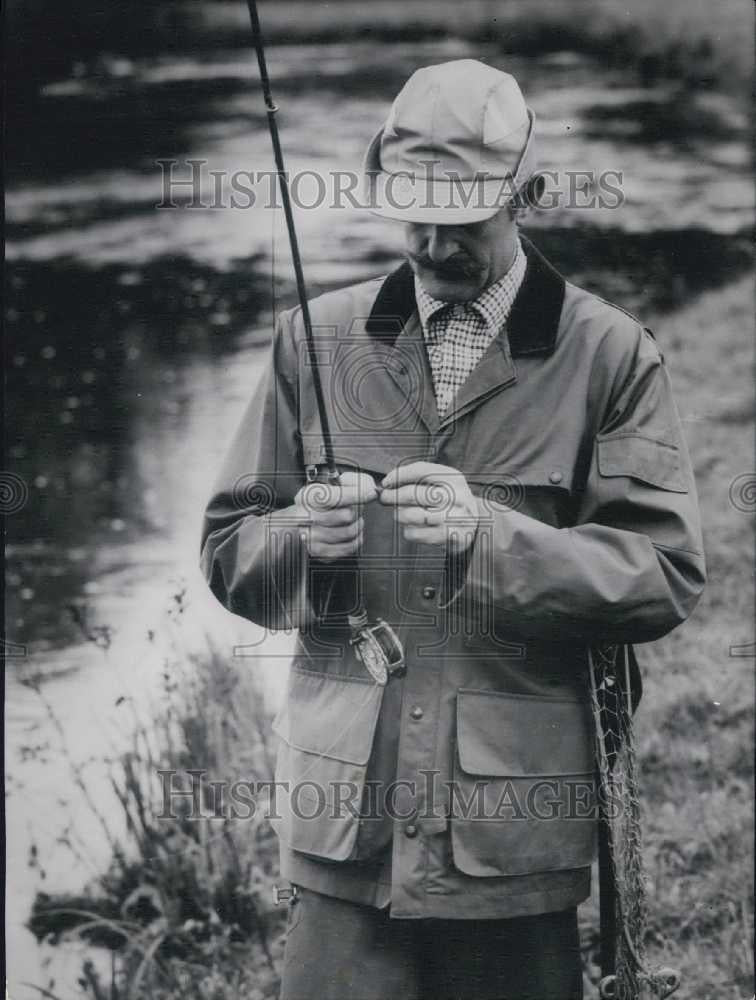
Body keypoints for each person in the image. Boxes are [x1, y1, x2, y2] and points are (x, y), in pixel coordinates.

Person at [200, 59, 705, 1000]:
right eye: (414, 213)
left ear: (529, 195)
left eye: (463, 216)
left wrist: (493, 539)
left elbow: (662, 573)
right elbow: (230, 553)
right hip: (344, 827)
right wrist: (301, 547)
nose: (432, 242)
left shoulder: (612, 356)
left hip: (511, 835)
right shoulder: (312, 339)